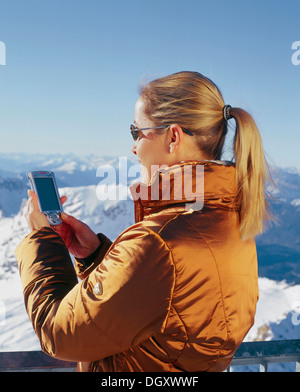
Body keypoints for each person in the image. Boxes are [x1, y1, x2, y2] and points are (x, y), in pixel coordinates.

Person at [15, 71, 271, 372]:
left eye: (137, 131)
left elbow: (58, 334)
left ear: (173, 137)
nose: (133, 147)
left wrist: (42, 240)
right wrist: (97, 256)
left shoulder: (159, 242)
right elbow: (165, 305)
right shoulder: (228, 220)